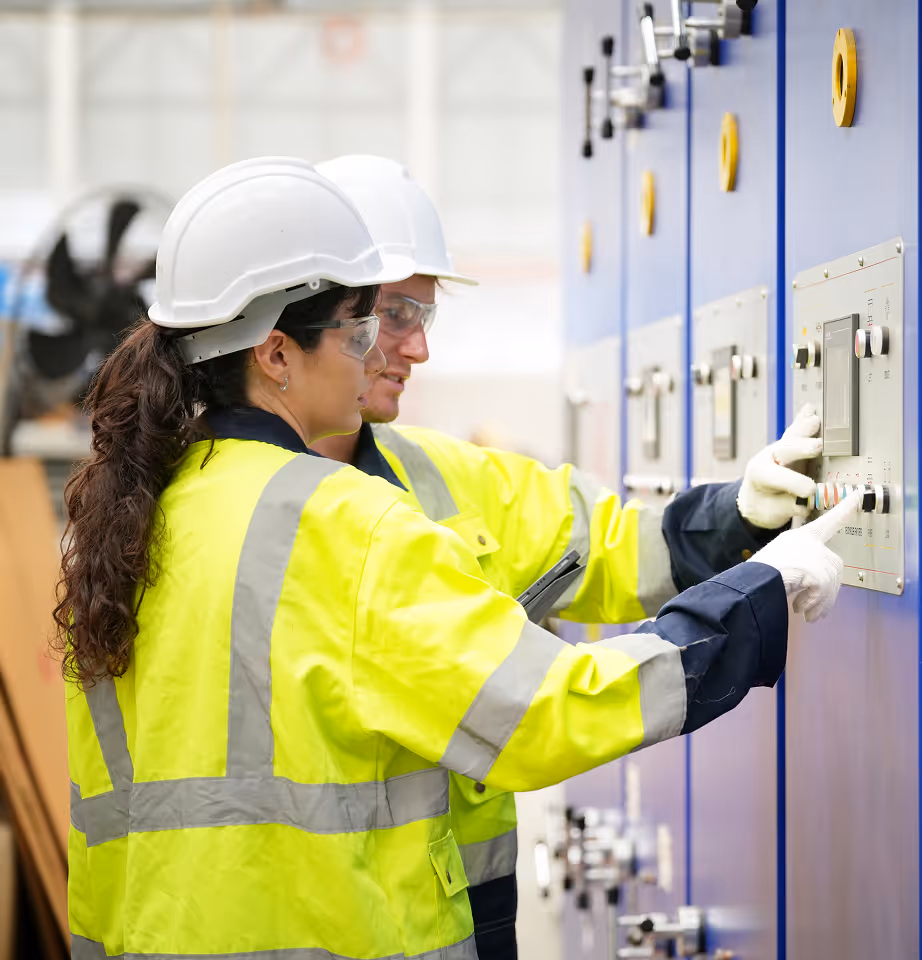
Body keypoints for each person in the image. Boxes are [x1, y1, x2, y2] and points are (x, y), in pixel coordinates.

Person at [58, 157, 856, 960]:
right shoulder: (342, 520)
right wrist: (755, 599)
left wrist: (739, 518)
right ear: (274, 353)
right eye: (366, 324)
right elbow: (547, 708)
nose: (393, 349)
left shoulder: (130, 517)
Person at [310, 154, 834, 958]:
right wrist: (753, 604)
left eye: (425, 316)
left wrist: (740, 512)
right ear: (309, 314)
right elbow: (529, 709)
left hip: (455, 919)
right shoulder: (287, 521)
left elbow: (613, 547)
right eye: (392, 314)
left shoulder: (437, 474)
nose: (416, 350)